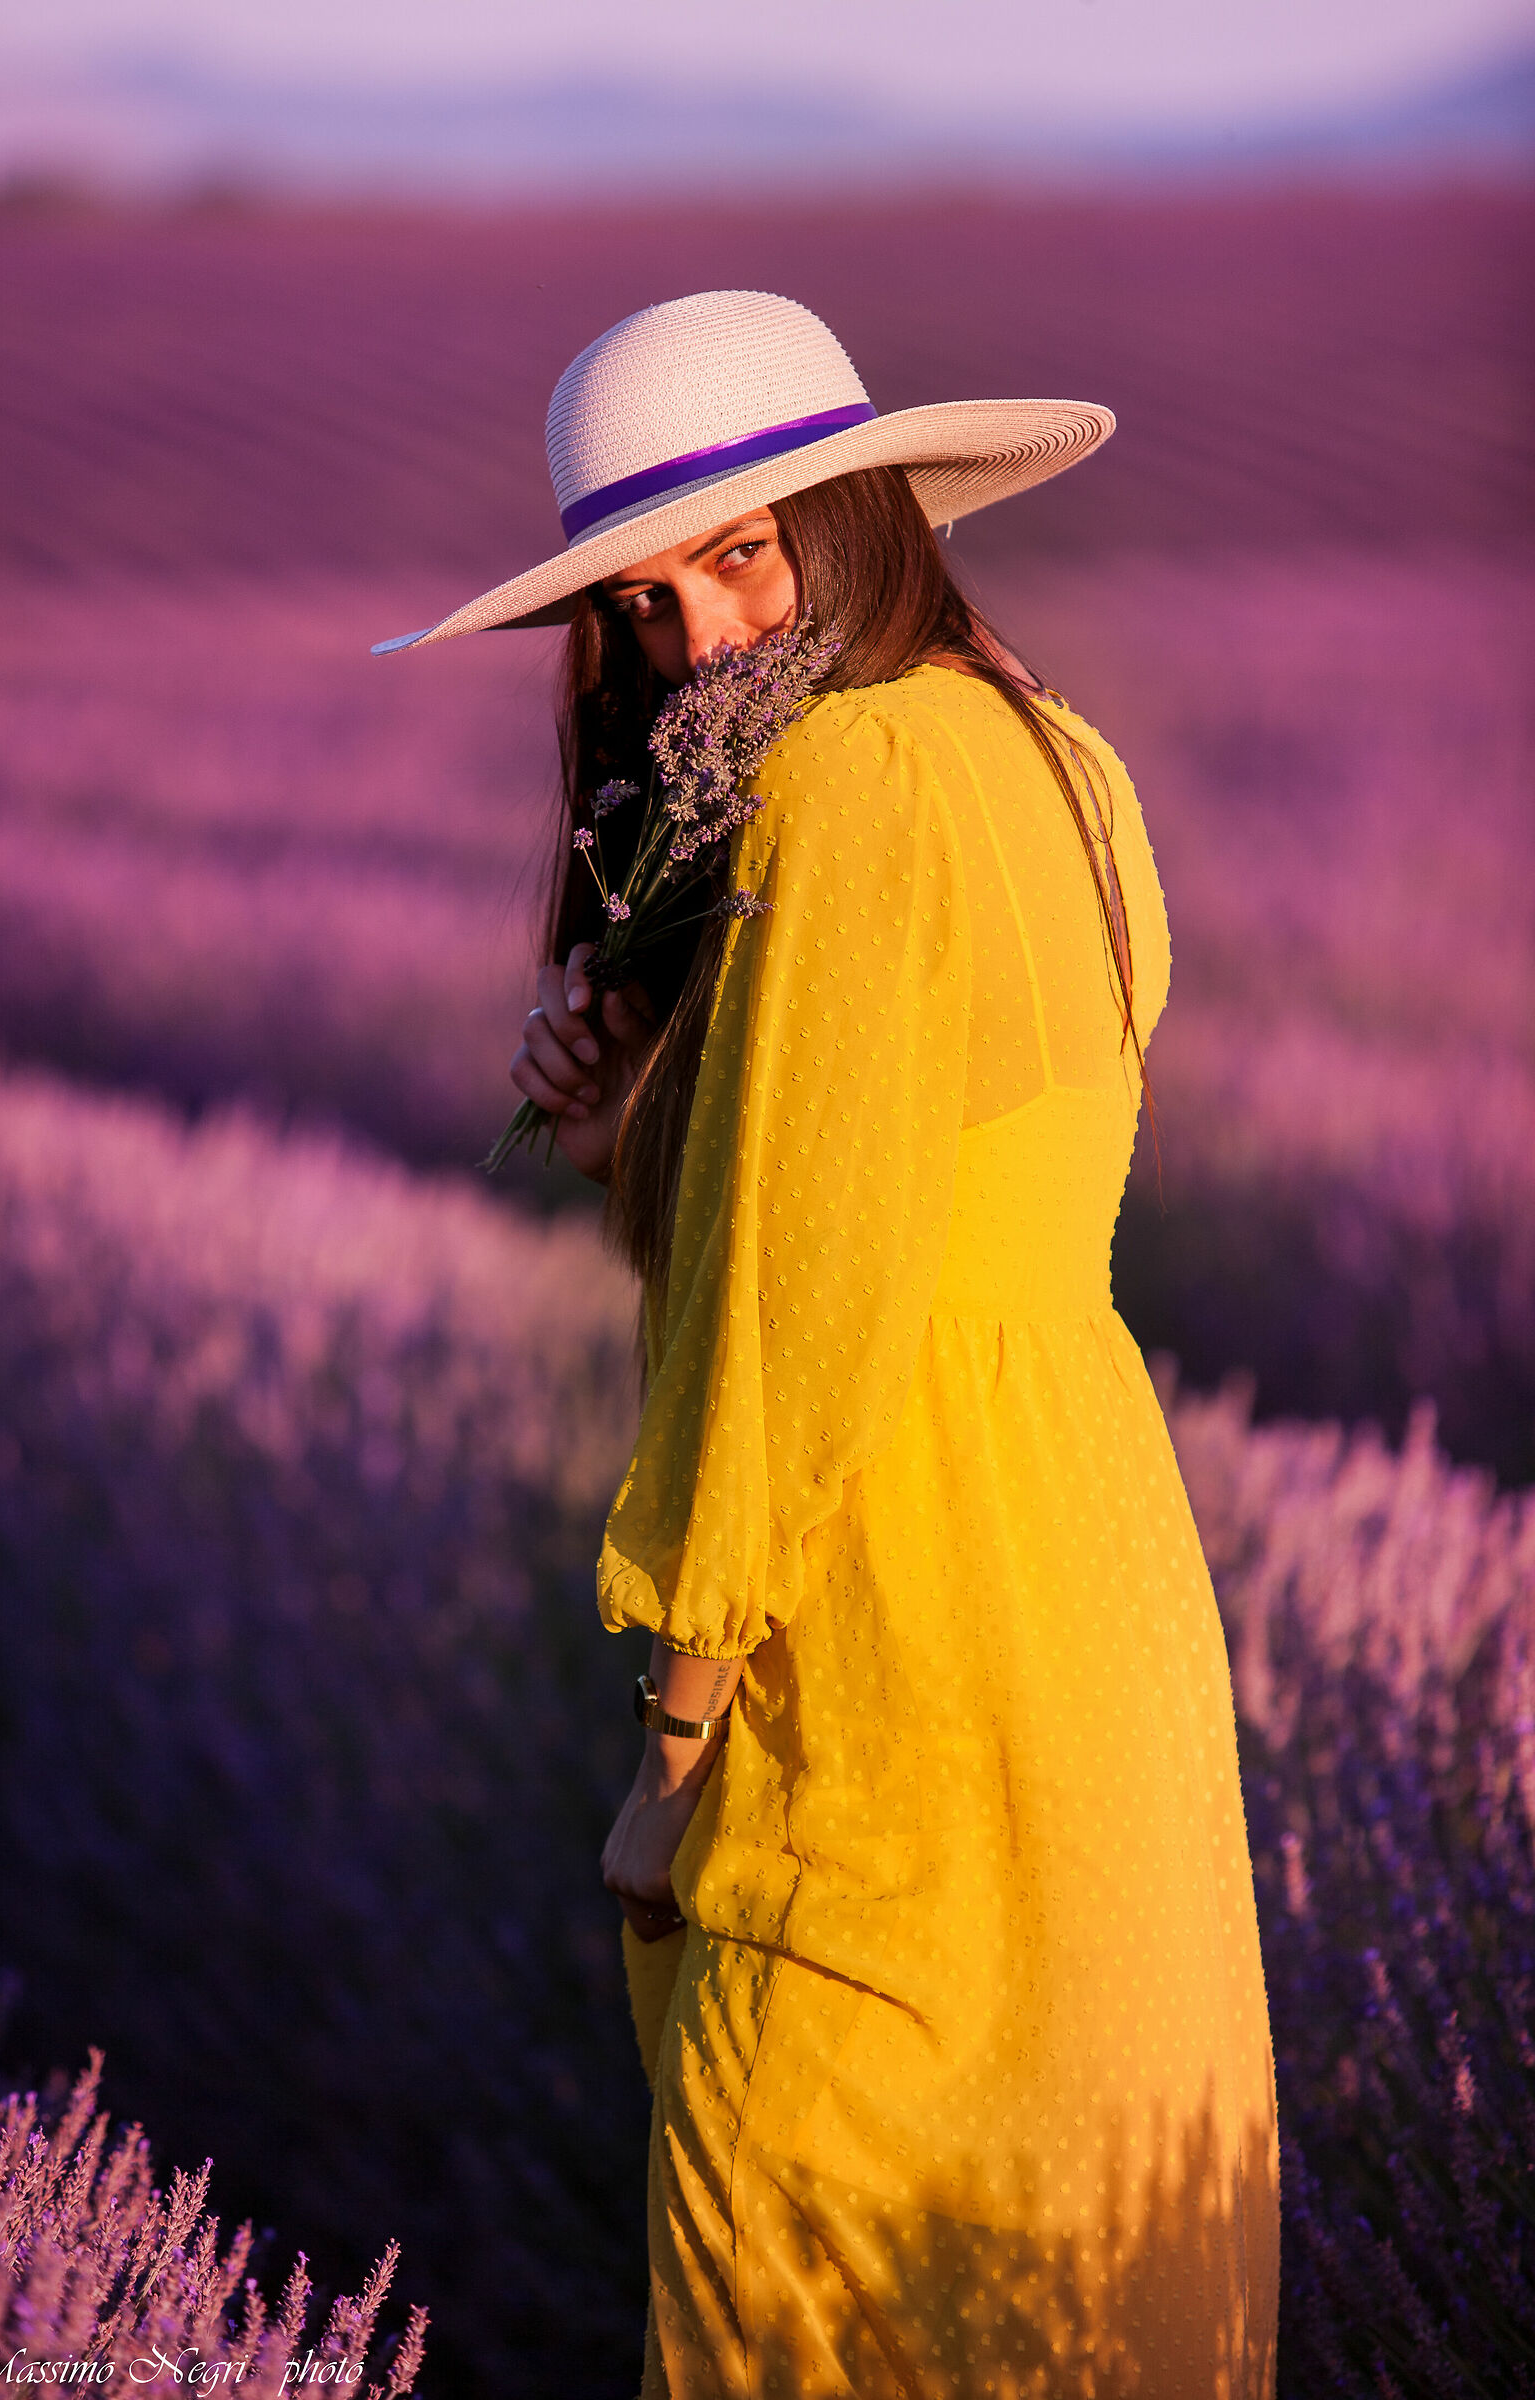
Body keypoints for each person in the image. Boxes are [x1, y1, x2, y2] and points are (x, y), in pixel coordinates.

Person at [375, 289, 1278, 2399]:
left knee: (802, 2257)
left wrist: (678, 1741)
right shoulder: (1061, 758)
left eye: (743, 554)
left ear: (861, 513)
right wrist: (637, 1119)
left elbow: (802, 1302)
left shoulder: (852, 779)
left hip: (888, 1610)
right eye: (645, 601)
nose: (697, 641)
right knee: (1076, 2248)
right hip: (1086, 1585)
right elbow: (926, 1188)